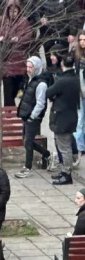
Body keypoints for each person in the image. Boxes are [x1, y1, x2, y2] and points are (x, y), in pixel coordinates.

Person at [47, 54, 81, 185]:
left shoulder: (62, 80)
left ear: (62, 64)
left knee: (64, 147)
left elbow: (48, 92)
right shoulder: (75, 78)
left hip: (61, 118)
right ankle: (64, 171)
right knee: (65, 144)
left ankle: (67, 174)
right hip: (71, 116)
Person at [14, 57, 52, 178]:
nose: (28, 70)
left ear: (37, 68)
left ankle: (27, 167)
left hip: (33, 117)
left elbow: (40, 103)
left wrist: (32, 116)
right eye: (28, 67)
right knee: (26, 141)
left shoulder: (41, 84)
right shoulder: (31, 79)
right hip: (27, 115)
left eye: (31, 67)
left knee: (28, 141)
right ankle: (47, 154)